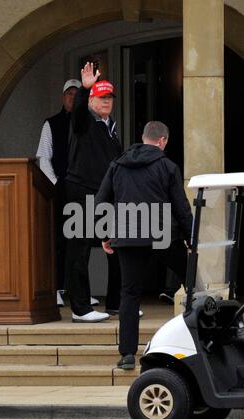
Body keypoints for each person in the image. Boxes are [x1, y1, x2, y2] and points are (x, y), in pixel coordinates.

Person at [95, 121, 193, 368]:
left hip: (127, 237)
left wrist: (106, 234)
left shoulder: (117, 165)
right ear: (163, 141)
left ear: (143, 137)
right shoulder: (167, 166)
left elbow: (100, 202)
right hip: (162, 236)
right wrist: (191, 239)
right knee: (193, 282)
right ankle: (197, 343)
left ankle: (127, 354)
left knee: (129, 294)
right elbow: (181, 208)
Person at [65, 62, 122, 322]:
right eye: (101, 97)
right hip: (82, 192)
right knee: (79, 250)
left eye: (109, 97)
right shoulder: (85, 121)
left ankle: (117, 303)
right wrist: (84, 90)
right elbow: (76, 116)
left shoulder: (110, 129)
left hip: (104, 195)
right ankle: (80, 309)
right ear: (91, 100)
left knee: (117, 245)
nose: (106, 101)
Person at [36, 78, 99, 308]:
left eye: (77, 93)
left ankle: (79, 292)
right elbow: (44, 157)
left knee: (82, 244)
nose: (73, 97)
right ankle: (57, 289)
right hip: (61, 192)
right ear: (63, 97)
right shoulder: (51, 123)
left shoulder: (91, 123)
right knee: (60, 242)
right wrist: (56, 185)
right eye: (69, 94)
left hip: (85, 191)